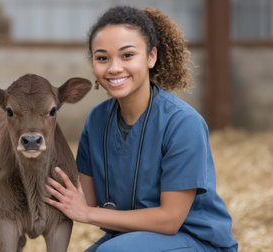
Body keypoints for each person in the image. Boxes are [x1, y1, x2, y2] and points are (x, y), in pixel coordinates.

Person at [44, 5, 238, 252]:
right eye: (102, 58)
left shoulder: (182, 123)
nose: (114, 68)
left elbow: (170, 220)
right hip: (132, 239)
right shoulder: (96, 120)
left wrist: (89, 214)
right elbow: (86, 199)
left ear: (151, 57)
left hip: (194, 240)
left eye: (127, 55)